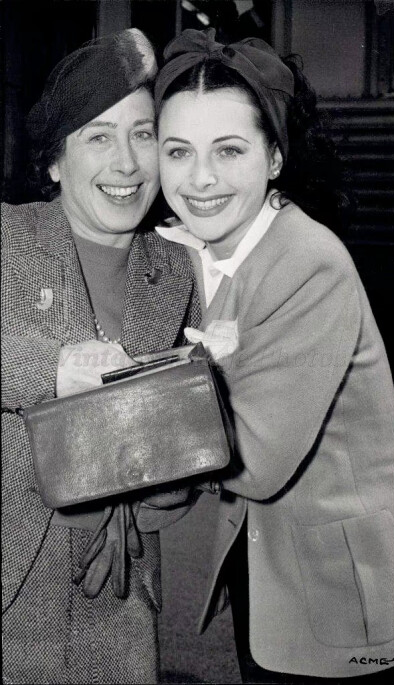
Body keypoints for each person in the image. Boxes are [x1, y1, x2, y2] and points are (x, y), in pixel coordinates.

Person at [154, 28, 394, 684]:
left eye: (228, 150)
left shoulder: (308, 262)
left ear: (274, 159)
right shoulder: (212, 250)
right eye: (178, 151)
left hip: (334, 590)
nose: (199, 179)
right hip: (263, 570)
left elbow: (255, 459)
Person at [1, 28, 201, 684]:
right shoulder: (10, 238)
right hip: (13, 580)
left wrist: (178, 476)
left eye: (142, 134)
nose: (127, 163)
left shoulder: (176, 269)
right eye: (98, 136)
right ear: (55, 161)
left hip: (119, 592)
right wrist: (54, 369)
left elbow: (185, 435)